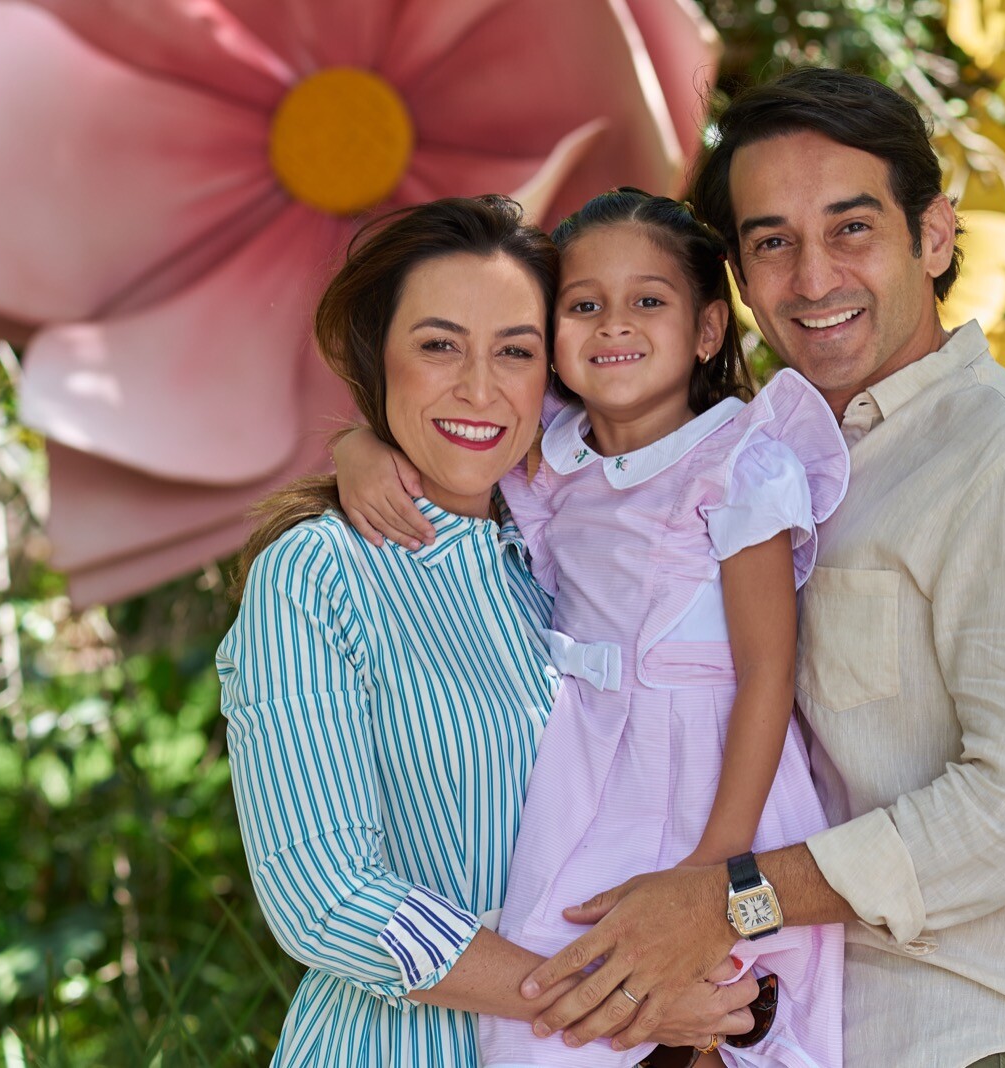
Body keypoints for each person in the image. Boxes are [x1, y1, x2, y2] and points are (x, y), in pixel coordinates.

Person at [352, 69, 1005, 1067]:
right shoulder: (766, 450)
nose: (812, 279)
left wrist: (731, 894)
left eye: (851, 229)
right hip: (773, 1025)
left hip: (961, 1037)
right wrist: (367, 452)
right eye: (772, 241)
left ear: (936, 236)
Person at [217, 195, 757, 1068]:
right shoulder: (316, 574)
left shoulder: (556, 556)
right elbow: (326, 898)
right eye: (437, 346)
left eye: (515, 351)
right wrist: (619, 1000)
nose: (479, 386)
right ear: (376, 357)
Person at [335, 188, 846, 1068]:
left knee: (722, 1013)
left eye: (649, 300)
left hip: (712, 779)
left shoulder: (740, 462)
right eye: (583, 305)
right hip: (584, 777)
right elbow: (446, 461)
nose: (615, 325)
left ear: (708, 331)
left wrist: (716, 870)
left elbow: (768, 671)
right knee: (550, 1018)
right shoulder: (552, 457)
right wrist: (358, 448)